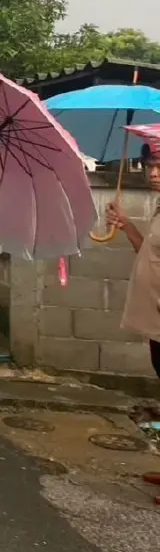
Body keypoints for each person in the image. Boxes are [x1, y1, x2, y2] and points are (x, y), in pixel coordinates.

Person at [107, 139, 160, 381]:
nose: (153, 173)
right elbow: (148, 252)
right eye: (149, 166)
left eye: (159, 166)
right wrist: (126, 224)